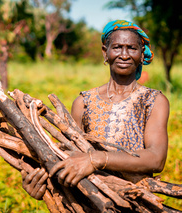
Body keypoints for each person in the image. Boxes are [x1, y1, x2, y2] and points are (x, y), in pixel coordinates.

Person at [21, 20, 170, 200]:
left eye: (132, 48)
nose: (124, 55)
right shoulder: (84, 102)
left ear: (141, 54)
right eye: (117, 47)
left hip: (136, 202)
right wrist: (43, 188)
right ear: (105, 53)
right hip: (89, 202)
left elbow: (156, 158)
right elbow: (69, 156)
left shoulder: (153, 101)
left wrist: (96, 159)